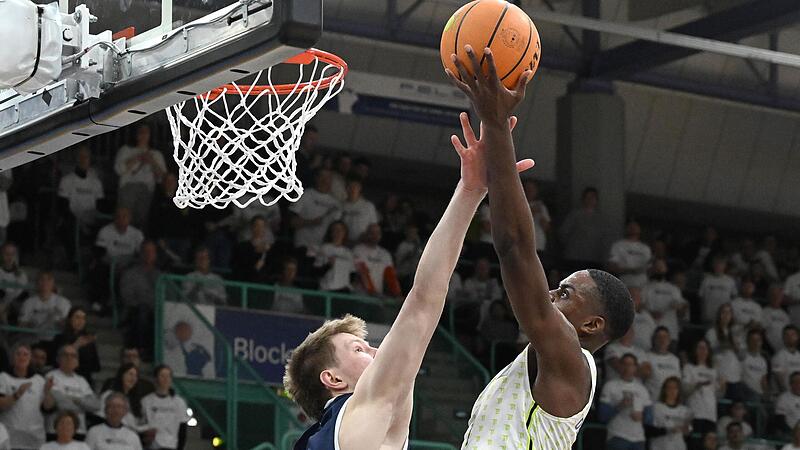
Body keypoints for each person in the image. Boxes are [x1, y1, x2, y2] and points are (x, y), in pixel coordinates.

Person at [283, 104, 533, 449]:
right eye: (358, 348)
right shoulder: (361, 410)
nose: (375, 349)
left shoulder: (335, 433)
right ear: (333, 378)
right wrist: (470, 190)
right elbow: (421, 303)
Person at [447, 45, 634, 449]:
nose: (550, 292)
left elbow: (514, 246)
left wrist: (495, 123)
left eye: (565, 292)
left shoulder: (571, 360)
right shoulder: (536, 368)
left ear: (592, 325)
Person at [0, 343, 56, 449]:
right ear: (12, 358)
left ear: (30, 359)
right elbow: (1, 404)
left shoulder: (39, 380)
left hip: (34, 437)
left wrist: (47, 391)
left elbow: (48, 408)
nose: (22, 357)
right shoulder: (3, 377)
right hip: (9, 435)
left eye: (25, 354)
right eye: (18, 354)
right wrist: (17, 395)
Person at [113, 123, 166, 228]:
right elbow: (119, 169)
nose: (143, 135)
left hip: (147, 190)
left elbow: (162, 177)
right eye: (141, 132)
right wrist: (137, 158)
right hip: (128, 187)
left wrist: (152, 161)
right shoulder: (126, 150)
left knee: (142, 221)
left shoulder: (156, 154)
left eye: (146, 132)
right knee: (125, 218)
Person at [46, 345, 100, 439]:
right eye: (65, 355)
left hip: (79, 432)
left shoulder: (82, 380)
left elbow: (95, 406)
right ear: (58, 359)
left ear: (77, 361)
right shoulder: (51, 376)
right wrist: (82, 405)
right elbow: (62, 405)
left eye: (73, 355)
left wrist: (74, 399)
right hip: (56, 431)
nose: (69, 358)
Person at [598, 354, 651, 450]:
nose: (627, 368)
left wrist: (642, 417)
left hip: (638, 439)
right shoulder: (610, 386)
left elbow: (649, 417)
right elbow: (602, 416)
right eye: (625, 364)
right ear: (620, 366)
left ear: (635, 367)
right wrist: (619, 406)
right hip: (618, 436)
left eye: (631, 365)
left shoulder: (642, 389)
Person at [120, 241, 161, 358]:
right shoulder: (130, 274)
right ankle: (142, 348)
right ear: (141, 253)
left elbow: (168, 296)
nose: (149, 254)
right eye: (146, 251)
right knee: (143, 311)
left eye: (152, 252)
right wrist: (146, 305)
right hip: (136, 311)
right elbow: (127, 296)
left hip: (157, 312)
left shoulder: (161, 276)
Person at [289, 169, 342, 251]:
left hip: (324, 250)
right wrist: (310, 222)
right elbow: (291, 222)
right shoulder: (304, 194)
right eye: (322, 176)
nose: (324, 180)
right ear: (316, 178)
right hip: (302, 245)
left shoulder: (336, 203)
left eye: (328, 177)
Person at [141, 365, 189, 450]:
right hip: (153, 446)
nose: (165, 379)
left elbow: (182, 429)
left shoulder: (179, 402)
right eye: (162, 376)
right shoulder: (146, 401)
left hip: (171, 446)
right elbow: (142, 424)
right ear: (156, 378)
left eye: (168, 376)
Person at [49, 307, 100, 387]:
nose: (80, 321)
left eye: (83, 318)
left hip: (83, 381)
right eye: (77, 317)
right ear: (70, 319)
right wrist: (76, 346)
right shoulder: (59, 339)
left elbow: (96, 367)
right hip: (61, 379)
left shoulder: (88, 341)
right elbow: (54, 361)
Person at [683, 339, 722, 435]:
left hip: (711, 415)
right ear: (695, 350)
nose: (703, 350)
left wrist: (723, 386)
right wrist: (698, 385)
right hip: (694, 414)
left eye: (705, 348)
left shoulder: (713, 371)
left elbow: (718, 395)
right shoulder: (689, 367)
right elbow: (684, 391)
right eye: (700, 347)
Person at [19, 271, 71, 341]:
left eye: (49, 279)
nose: (45, 282)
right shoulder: (28, 302)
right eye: (41, 279)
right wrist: (32, 324)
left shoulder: (64, 302)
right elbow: (21, 324)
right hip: (33, 339)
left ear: (53, 283)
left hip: (57, 340)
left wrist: (58, 322)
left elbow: (69, 324)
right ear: (37, 283)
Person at [641, 258, 687, 339]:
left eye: (661, 267)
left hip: (670, 331)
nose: (659, 269)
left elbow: (681, 306)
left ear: (666, 269)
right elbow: (640, 305)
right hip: (650, 330)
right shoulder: (645, 287)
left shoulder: (674, 289)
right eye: (657, 267)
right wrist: (651, 313)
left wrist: (679, 306)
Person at [353, 224, 402, 297]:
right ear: (366, 234)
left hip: (378, 297)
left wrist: (397, 294)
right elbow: (362, 273)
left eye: (377, 233)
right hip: (361, 296)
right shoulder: (358, 250)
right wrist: (372, 292)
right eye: (372, 233)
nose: (375, 235)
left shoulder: (385, 254)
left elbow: (390, 277)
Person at [645, 376, 692, 450]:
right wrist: (667, 430)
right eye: (669, 387)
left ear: (679, 390)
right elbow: (647, 431)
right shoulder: (655, 408)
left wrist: (688, 431)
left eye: (675, 388)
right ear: (664, 390)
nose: (672, 390)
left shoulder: (685, 410)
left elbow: (694, 434)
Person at [96, 364, 146, 432]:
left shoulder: (135, 400)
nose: (133, 378)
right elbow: (101, 416)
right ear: (121, 375)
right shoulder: (108, 395)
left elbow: (138, 423)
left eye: (136, 376)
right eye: (130, 374)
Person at [608, 221, 652, 289]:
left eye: (635, 226)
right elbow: (612, 266)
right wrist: (630, 271)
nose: (633, 228)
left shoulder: (645, 248)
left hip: (642, 286)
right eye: (631, 226)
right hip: (624, 284)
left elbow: (650, 268)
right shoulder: (618, 245)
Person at [313, 222, 356, 292]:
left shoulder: (349, 253)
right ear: (331, 233)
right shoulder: (324, 248)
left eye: (341, 230)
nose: (338, 232)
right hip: (327, 288)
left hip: (343, 290)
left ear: (345, 233)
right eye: (335, 229)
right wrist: (328, 265)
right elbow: (316, 272)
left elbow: (352, 274)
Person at [641, 327, 681, 399]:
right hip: (653, 401)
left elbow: (677, 382)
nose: (662, 339)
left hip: (669, 403)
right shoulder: (646, 357)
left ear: (669, 340)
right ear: (654, 340)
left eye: (665, 337)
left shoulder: (675, 360)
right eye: (659, 337)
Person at [698, 257, 737, 323]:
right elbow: (701, 298)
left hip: (724, 317)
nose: (718, 266)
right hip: (708, 317)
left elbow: (734, 298)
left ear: (724, 266)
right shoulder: (706, 280)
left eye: (720, 264)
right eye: (716, 264)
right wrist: (702, 313)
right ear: (713, 266)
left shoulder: (730, 281)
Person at [340, 177, 378, 244]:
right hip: (343, 243)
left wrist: (366, 237)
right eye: (349, 186)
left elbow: (374, 227)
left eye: (355, 186)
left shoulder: (368, 206)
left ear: (360, 188)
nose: (352, 189)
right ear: (346, 188)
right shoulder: (340, 205)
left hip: (362, 243)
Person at [0, 242, 29, 323]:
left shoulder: (21, 274)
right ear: (1, 255)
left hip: (15, 304)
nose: (9, 256)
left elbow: (19, 293)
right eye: (6, 253)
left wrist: (7, 304)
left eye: (12, 254)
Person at [740, 328, 769, 399]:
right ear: (747, 341)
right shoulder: (741, 356)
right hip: (744, 394)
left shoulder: (762, 360)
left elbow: (763, 380)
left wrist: (766, 393)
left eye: (758, 340)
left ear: (761, 342)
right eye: (752, 340)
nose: (755, 342)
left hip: (759, 395)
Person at [763, 285, 791, 352]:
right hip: (770, 350)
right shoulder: (763, 312)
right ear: (768, 296)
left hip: (786, 350)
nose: (776, 297)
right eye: (773, 295)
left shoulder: (785, 315)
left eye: (779, 295)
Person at [773, 325, 800, 392]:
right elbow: (778, 380)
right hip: (788, 395)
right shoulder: (778, 356)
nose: (789, 337)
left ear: (797, 337)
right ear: (783, 338)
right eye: (787, 335)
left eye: (793, 335)